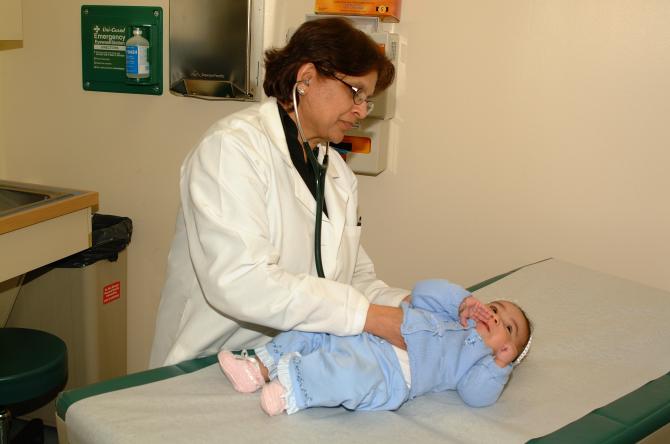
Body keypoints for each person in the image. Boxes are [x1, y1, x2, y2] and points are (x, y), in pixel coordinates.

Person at [150, 17, 408, 368]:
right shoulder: (232, 149)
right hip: (208, 364)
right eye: (356, 92)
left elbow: (354, 278)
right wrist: (365, 317)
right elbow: (242, 281)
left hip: (286, 366)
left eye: (368, 99)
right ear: (306, 79)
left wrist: (407, 306)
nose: (362, 110)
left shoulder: (337, 175)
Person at [218, 279, 533, 415]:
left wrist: (499, 366)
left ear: (506, 350)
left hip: (392, 371)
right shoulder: (453, 312)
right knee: (314, 325)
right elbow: (422, 291)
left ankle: (292, 392)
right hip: (369, 331)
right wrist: (461, 300)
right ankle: (257, 367)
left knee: (348, 374)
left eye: (508, 327)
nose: (495, 317)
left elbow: (476, 396)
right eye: (495, 307)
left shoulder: (478, 362)